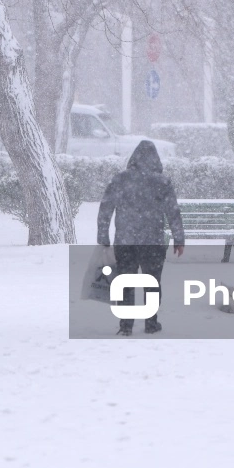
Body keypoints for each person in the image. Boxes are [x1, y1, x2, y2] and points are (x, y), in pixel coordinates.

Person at [97, 141, 185, 336]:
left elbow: (106, 208)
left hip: (125, 241)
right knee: (152, 283)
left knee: (126, 282)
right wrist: (179, 239)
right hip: (152, 242)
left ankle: (126, 325)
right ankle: (151, 323)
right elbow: (173, 212)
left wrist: (103, 236)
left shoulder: (120, 179)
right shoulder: (161, 181)